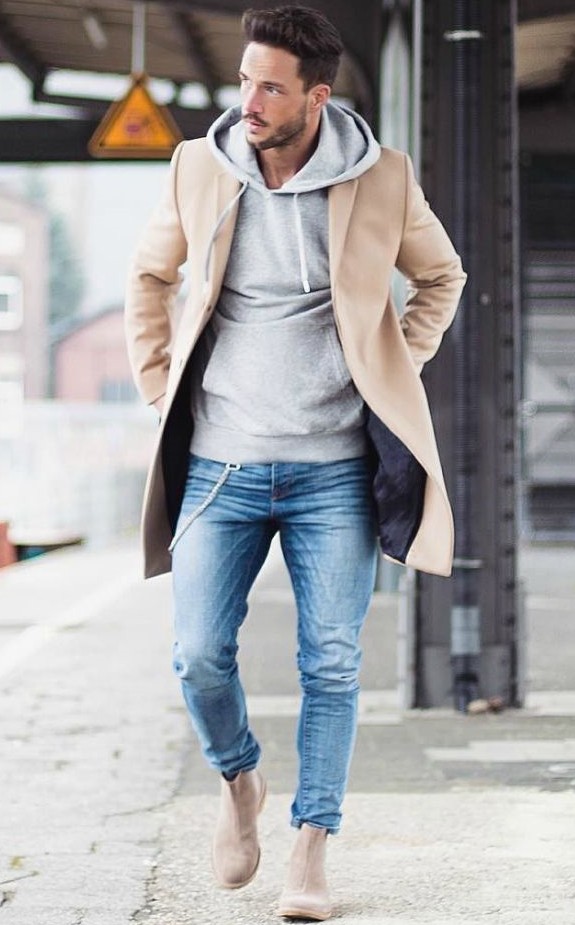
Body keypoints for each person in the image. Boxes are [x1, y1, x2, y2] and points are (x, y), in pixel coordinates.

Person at [125, 5, 466, 920]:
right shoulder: (198, 166)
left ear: (316, 96)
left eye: (270, 87)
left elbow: (442, 276)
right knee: (199, 655)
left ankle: (311, 845)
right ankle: (240, 779)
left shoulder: (382, 177)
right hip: (220, 465)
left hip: (333, 471)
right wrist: (158, 385)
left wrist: (392, 364)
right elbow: (150, 277)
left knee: (332, 662)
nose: (249, 100)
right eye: (244, 80)